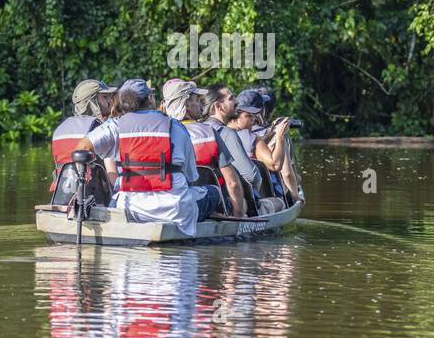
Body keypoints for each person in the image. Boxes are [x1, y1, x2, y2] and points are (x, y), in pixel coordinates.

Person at [74, 79, 221, 235]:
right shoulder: (176, 126)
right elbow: (191, 176)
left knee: (115, 197)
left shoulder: (115, 125)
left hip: (129, 209)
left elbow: (82, 147)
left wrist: (86, 170)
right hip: (174, 211)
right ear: (150, 99)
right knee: (214, 192)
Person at [163, 79, 245, 216]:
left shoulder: (161, 133)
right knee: (251, 204)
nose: (201, 105)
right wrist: (239, 216)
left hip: (170, 205)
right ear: (187, 104)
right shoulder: (209, 132)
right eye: (197, 100)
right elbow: (233, 183)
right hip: (213, 206)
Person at [204, 85, 286, 216]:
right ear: (219, 107)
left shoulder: (197, 130)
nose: (236, 102)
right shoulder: (228, 134)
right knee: (280, 203)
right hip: (228, 202)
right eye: (231, 99)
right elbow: (252, 177)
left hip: (206, 200)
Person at [49, 79, 118, 199]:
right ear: (92, 102)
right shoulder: (101, 129)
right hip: (94, 197)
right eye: (105, 97)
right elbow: (111, 174)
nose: (109, 101)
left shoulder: (60, 129)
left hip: (61, 198)